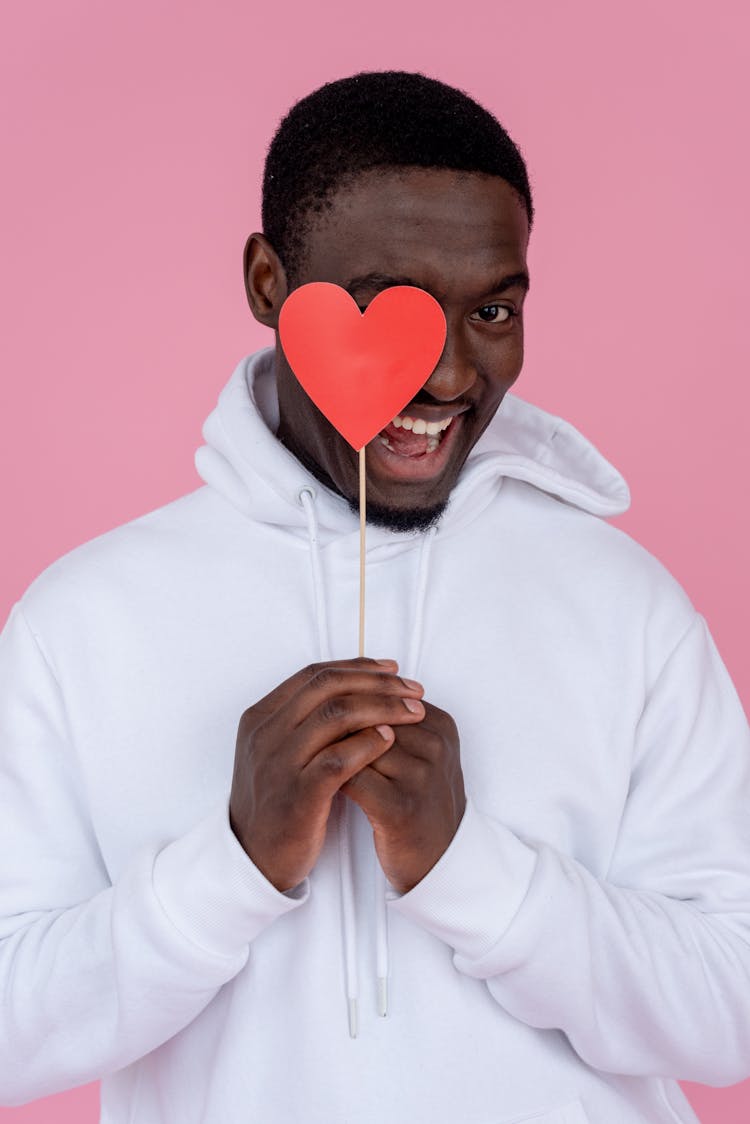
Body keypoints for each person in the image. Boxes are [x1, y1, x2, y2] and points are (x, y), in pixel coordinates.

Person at [1, 70, 749, 1124]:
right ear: (269, 281)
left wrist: (473, 866)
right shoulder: (78, 624)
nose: (445, 373)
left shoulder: (629, 608)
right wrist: (230, 865)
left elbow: (731, 1006)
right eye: (384, 306)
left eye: (492, 308)